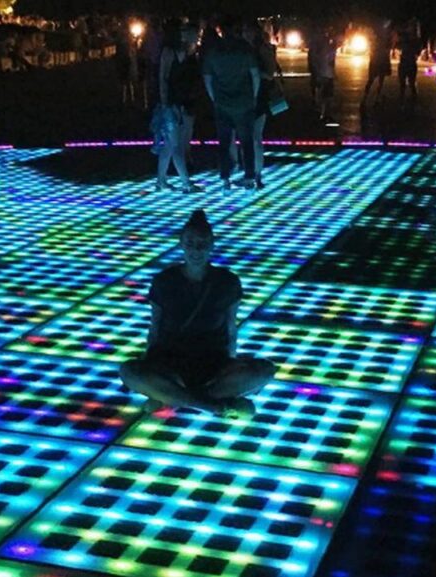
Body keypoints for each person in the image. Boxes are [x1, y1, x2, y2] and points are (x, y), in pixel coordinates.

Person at [119, 210, 276, 416]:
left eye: (202, 244)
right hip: (169, 361)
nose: (196, 250)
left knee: (265, 370)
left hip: (214, 362)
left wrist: (232, 364)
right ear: (181, 244)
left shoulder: (227, 282)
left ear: (212, 245)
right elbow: (155, 325)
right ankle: (213, 404)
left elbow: (230, 328)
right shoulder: (164, 280)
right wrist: (147, 362)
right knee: (129, 371)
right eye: (190, 243)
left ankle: (173, 398)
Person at [202, 15, 261, 190]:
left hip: (222, 103)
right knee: (246, 141)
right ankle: (249, 176)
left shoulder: (214, 51)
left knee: (224, 142)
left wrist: (214, 98)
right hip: (244, 102)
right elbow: (255, 74)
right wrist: (254, 96)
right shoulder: (245, 49)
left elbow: (207, 77)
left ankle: (225, 178)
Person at [156, 24, 204, 194]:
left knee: (170, 144)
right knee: (175, 144)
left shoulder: (191, 55)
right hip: (172, 104)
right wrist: (165, 103)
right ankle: (185, 183)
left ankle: (161, 180)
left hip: (183, 104)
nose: (197, 39)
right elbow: (163, 78)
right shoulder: (170, 52)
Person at [244, 20, 279, 189]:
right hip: (245, 96)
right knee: (248, 137)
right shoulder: (244, 49)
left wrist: (255, 74)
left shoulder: (262, 49)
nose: (245, 34)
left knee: (255, 137)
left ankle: (256, 174)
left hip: (258, 96)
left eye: (248, 31)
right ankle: (250, 173)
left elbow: (270, 74)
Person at [364, 18, 393, 102]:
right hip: (379, 60)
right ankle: (372, 96)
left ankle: (369, 96)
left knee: (373, 80)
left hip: (378, 60)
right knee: (376, 80)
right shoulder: (383, 38)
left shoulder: (381, 37)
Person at [398, 19, 421, 104]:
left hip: (409, 62)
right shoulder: (407, 37)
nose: (409, 28)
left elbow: (417, 52)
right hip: (405, 62)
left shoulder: (414, 39)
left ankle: (411, 102)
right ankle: (404, 101)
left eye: (411, 26)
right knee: (404, 84)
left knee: (411, 84)